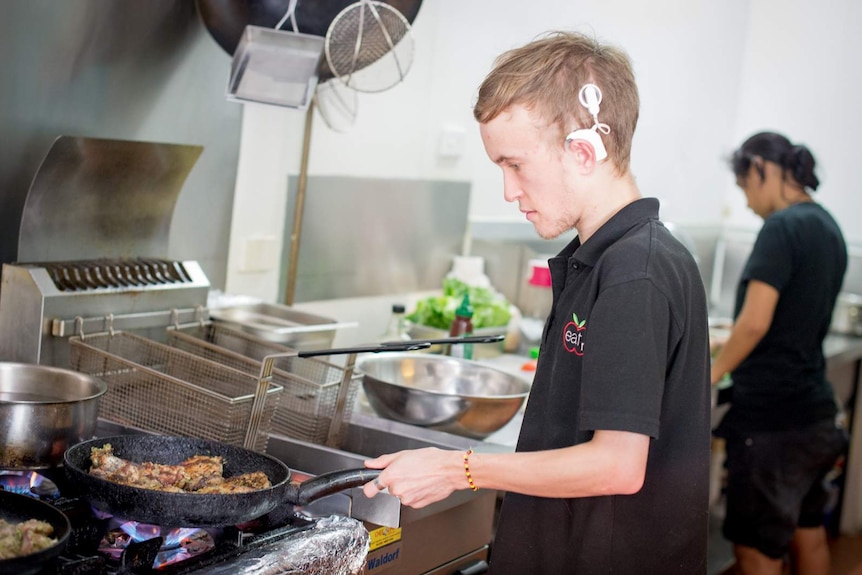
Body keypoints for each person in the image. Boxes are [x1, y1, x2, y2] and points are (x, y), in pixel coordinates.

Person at [361, 31, 712, 574]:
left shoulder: (633, 273)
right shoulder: (601, 259)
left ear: (582, 150)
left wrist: (459, 469)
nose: (508, 190)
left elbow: (617, 466)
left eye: (515, 164)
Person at [710, 132, 849, 575]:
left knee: (755, 551)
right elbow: (790, 316)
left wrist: (710, 375)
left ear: (760, 169)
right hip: (814, 416)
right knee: (808, 533)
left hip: (773, 422)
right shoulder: (829, 226)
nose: (748, 202)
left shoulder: (781, 227)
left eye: (744, 187)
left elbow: (756, 322)